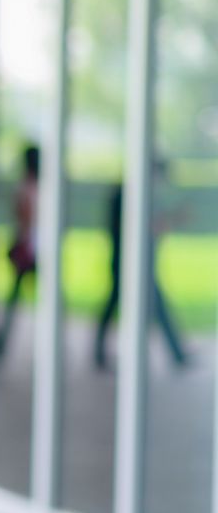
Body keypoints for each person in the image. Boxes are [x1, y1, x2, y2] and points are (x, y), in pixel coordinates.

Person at [94, 158, 190, 370]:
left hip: (131, 263)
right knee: (143, 306)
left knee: (149, 306)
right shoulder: (129, 196)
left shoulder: (127, 194)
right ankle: (177, 354)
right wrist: (173, 219)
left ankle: (177, 354)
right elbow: (142, 228)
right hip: (128, 263)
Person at [0, 143, 40, 364]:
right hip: (30, 248)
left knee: (14, 299)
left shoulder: (27, 186)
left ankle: (0, 342)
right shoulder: (32, 186)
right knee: (16, 299)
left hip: (31, 247)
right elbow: (24, 217)